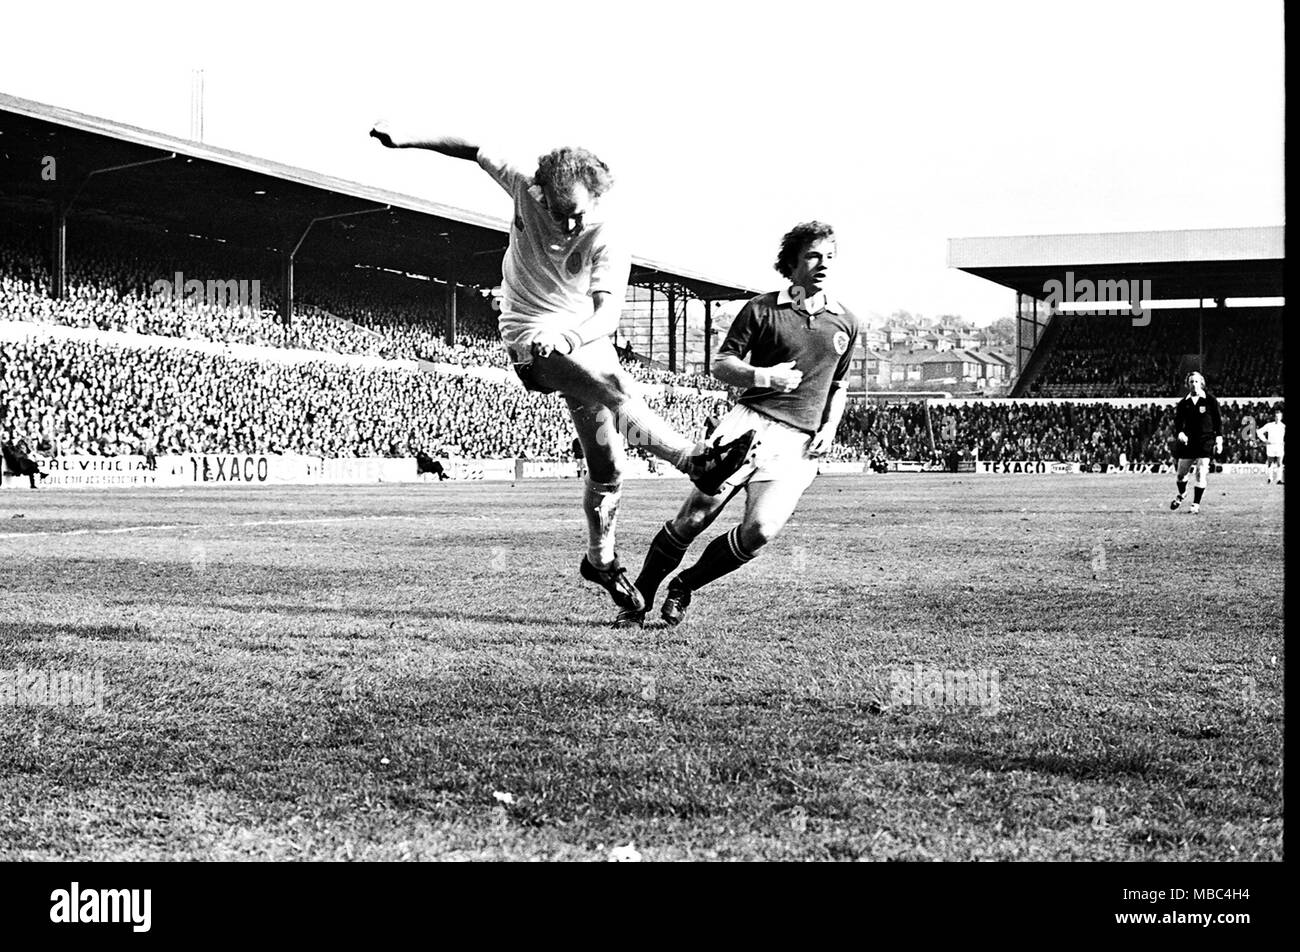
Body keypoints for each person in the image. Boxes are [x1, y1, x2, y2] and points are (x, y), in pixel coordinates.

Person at [370, 121, 755, 610]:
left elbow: (608, 313)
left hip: (581, 337)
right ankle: (693, 461)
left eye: (578, 215)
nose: (568, 226)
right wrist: (407, 138)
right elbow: (469, 146)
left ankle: (601, 561)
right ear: (540, 192)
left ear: (594, 199)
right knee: (615, 388)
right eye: (559, 213)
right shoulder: (522, 184)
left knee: (608, 464)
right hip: (529, 336)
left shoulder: (608, 233)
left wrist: (570, 335)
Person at [615, 221, 858, 628]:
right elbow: (722, 365)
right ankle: (638, 599)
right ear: (793, 263)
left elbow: (840, 385)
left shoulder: (845, 321)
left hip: (796, 444)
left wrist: (831, 425)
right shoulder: (762, 309)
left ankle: (685, 585)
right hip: (746, 429)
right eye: (814, 255)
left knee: (759, 531)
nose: (823, 264)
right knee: (693, 519)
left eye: (830, 256)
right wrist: (766, 377)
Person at [1169, 371, 1222, 514]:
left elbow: (1217, 420)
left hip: (1206, 440)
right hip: (1188, 442)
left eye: (1196, 381)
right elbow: (1178, 422)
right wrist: (1180, 433)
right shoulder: (1183, 403)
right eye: (1191, 382)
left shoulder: (1210, 400)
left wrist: (1219, 438)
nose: (1194, 384)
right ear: (1188, 384)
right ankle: (1182, 494)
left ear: (1202, 383)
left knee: (1201, 470)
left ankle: (1195, 504)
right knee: (1181, 475)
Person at [1257, 408, 1284, 485]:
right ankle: (1270, 478)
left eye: (1279, 416)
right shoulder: (1269, 425)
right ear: (1274, 417)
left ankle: (1279, 479)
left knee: (1279, 462)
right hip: (1271, 445)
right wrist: (1265, 440)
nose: (1277, 418)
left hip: (1279, 446)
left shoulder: (1283, 426)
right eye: (1276, 416)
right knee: (1270, 462)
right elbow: (1259, 432)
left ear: (1281, 417)